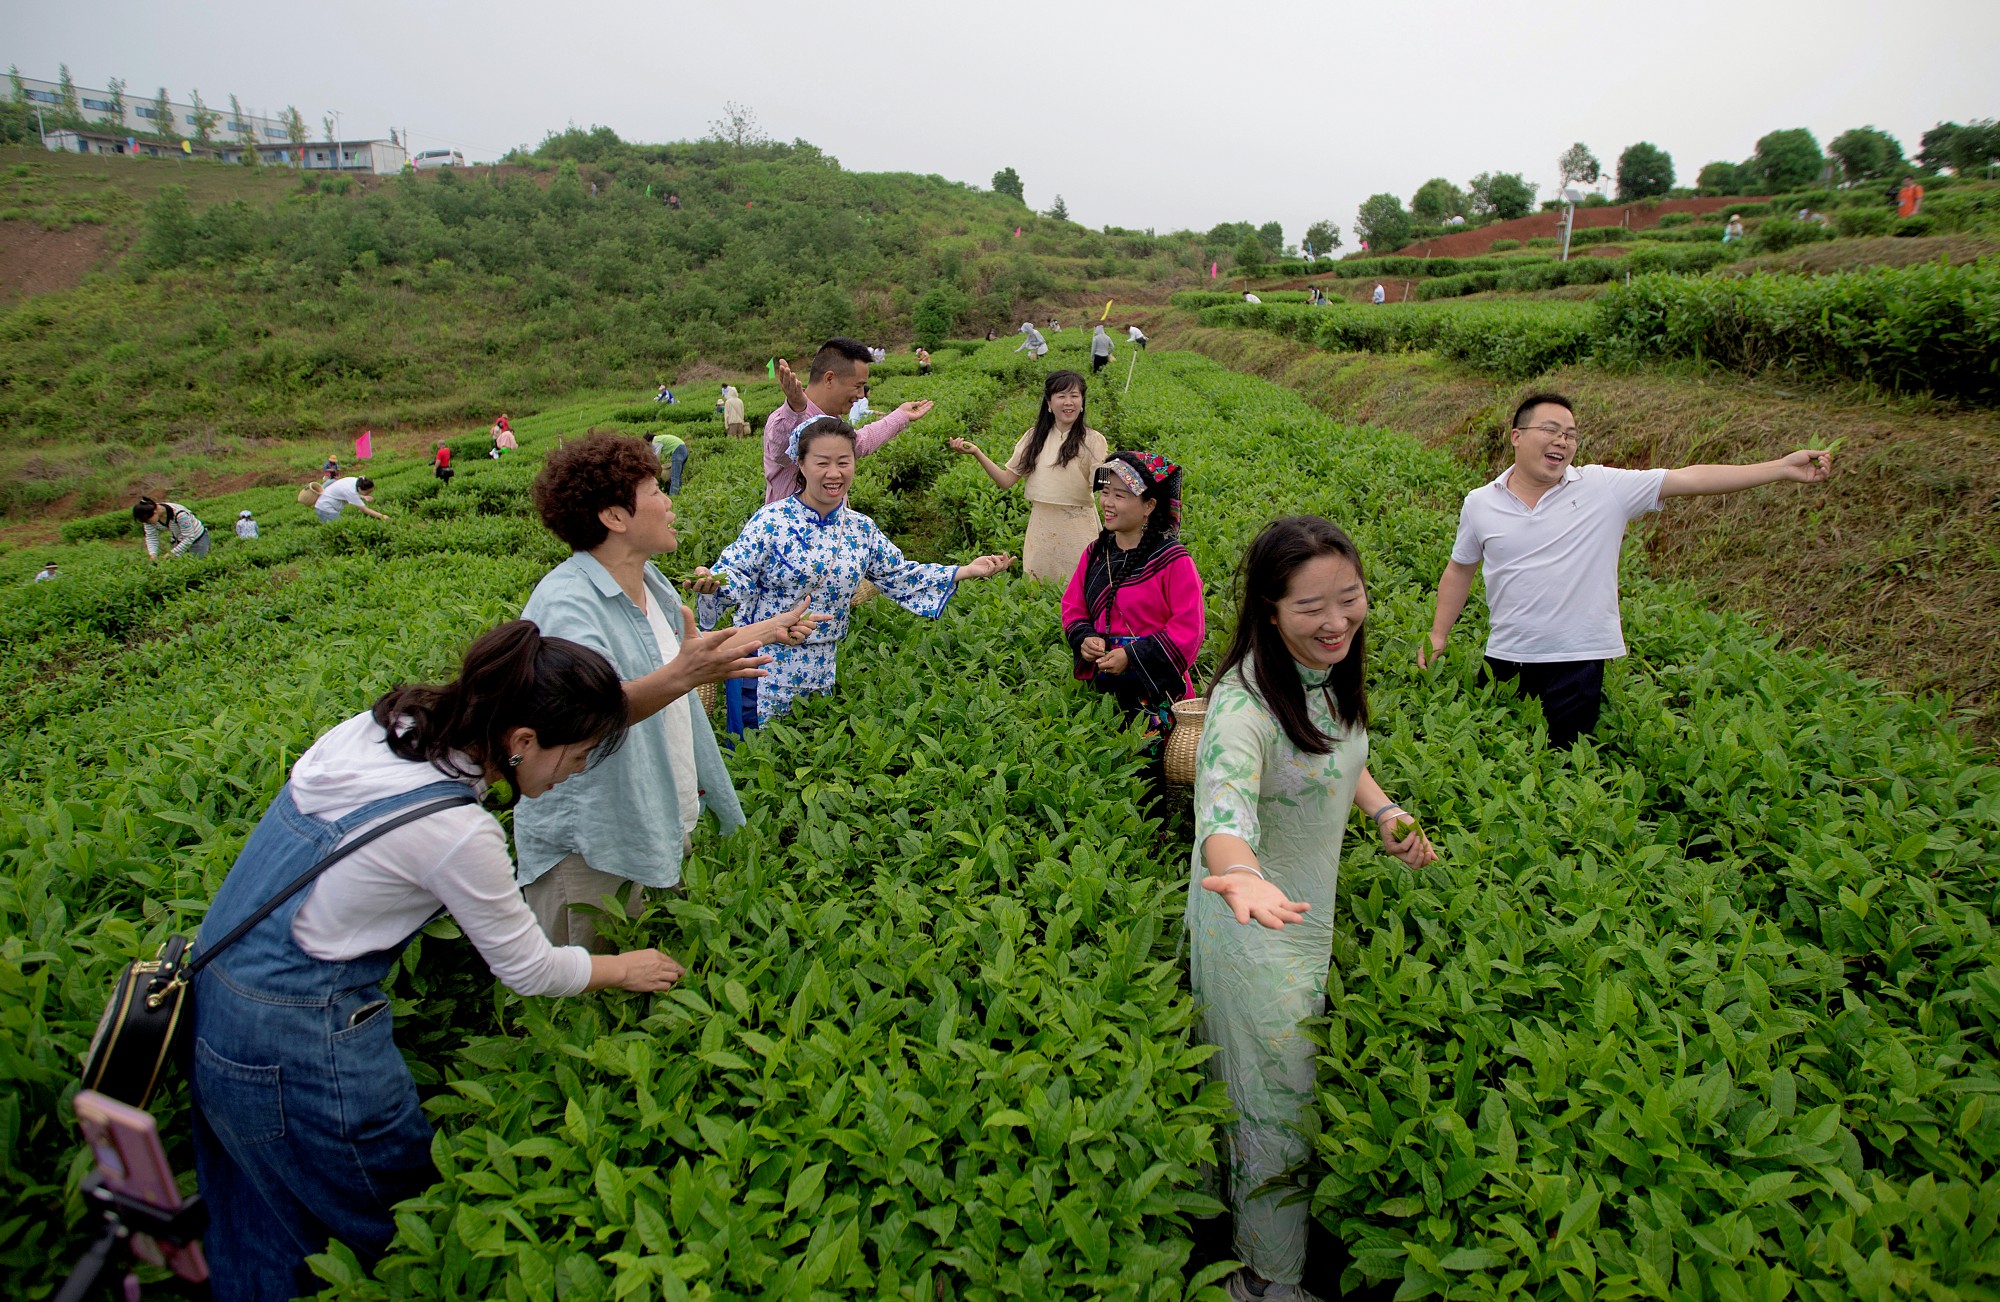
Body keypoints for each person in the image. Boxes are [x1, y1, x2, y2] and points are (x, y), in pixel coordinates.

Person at [186, 621, 693, 1299]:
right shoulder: (456, 833)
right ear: (522, 742)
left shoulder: (376, 730)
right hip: (299, 1041)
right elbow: (529, 969)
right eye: (576, 756)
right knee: (397, 1231)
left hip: (215, 1000)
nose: (574, 773)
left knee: (265, 1222)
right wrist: (622, 967)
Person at [1187, 516, 1437, 1302]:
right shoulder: (1240, 707)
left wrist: (1383, 810)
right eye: (1311, 608)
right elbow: (1223, 815)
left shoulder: (1327, 675)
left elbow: (1336, 749)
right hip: (1255, 926)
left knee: (1268, 1091)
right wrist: (1243, 874)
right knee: (1276, 1107)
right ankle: (1266, 1279)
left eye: (1351, 598)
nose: (1337, 622)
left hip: (1302, 917)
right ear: (1268, 609)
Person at [515, 433, 822, 951]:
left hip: (653, 811)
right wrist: (687, 676)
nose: (668, 500)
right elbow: (578, 717)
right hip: (593, 845)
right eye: (655, 490)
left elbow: (686, 657)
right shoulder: (566, 605)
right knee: (587, 1001)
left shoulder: (649, 581)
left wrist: (769, 629)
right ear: (614, 517)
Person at [1420, 392, 1833, 747]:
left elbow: (1691, 478)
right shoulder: (1480, 501)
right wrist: (1438, 635)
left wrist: (1780, 467)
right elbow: (1460, 569)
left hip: (1576, 662)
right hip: (1505, 655)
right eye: (1550, 430)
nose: (1562, 441)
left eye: (1571, 434)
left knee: (1563, 768)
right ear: (1517, 436)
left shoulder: (1603, 488)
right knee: (1490, 757)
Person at [694, 416, 1014, 728]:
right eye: (822, 463)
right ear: (801, 464)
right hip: (762, 667)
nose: (834, 473)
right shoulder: (771, 521)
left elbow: (898, 574)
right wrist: (714, 584)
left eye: (843, 462)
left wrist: (965, 570)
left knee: (810, 749)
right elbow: (735, 571)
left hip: (821, 666)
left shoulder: (861, 528)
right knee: (758, 759)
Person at [1061, 451, 1205, 727]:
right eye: (1105, 492)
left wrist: (1131, 656)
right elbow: (1073, 607)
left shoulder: (1173, 560)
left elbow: (1189, 629)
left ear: (1149, 505)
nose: (1107, 503)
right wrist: (1086, 638)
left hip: (1159, 694)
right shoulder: (1095, 553)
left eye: (1120, 495)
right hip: (1103, 692)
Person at [948, 370, 1109, 582]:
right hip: (1041, 526)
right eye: (1061, 396)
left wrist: (1108, 470)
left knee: (1081, 585)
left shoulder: (1095, 440)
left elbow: (1103, 482)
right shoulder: (1034, 438)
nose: (1068, 402)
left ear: (1082, 402)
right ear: (1049, 404)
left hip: (1078, 526)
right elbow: (1006, 480)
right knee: (1040, 584)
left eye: (1074, 395)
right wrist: (977, 453)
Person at [762, 337, 933, 505]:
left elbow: (860, 442)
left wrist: (900, 415)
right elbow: (781, 453)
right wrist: (795, 409)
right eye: (857, 386)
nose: (860, 395)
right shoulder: (785, 418)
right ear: (829, 379)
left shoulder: (833, 421)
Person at [133, 497, 210, 561]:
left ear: (155, 512)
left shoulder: (180, 514)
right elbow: (151, 536)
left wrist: (172, 553)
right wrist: (153, 554)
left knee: (197, 562)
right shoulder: (149, 517)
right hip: (179, 539)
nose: (147, 523)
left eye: (148, 521)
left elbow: (189, 537)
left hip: (197, 538)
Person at [315, 476, 388, 523]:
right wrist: (382, 517)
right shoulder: (351, 491)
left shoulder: (357, 481)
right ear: (360, 488)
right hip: (325, 508)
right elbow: (365, 510)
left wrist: (364, 496)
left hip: (327, 505)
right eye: (368, 492)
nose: (369, 493)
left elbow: (347, 493)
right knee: (338, 529)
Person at [651, 429, 689, 496]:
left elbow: (656, 457)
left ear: (648, 441)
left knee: (674, 478)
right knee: (678, 477)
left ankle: (673, 497)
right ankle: (679, 495)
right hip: (684, 450)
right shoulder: (660, 438)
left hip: (678, 451)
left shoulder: (655, 441)